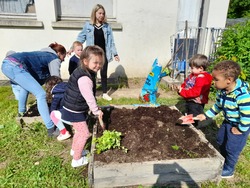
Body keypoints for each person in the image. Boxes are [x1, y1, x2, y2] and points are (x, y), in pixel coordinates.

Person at [50, 45, 105, 167]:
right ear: (85, 61)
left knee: (79, 132)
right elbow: (89, 97)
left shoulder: (83, 71)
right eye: (95, 62)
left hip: (71, 106)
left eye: (100, 63)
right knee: (84, 133)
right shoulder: (85, 78)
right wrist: (95, 110)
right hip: (74, 110)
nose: (98, 66)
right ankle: (77, 160)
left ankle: (75, 150)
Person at [196, 60, 250, 178]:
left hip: (240, 125)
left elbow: (247, 116)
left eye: (216, 79)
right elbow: (218, 107)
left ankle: (229, 169)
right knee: (220, 140)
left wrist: (240, 129)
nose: (213, 82)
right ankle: (224, 158)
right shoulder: (222, 92)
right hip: (228, 122)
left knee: (232, 148)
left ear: (228, 80)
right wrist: (205, 115)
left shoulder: (242, 95)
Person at [1, 42, 67, 137]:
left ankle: (21, 113)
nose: (63, 60)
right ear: (59, 53)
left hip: (8, 64)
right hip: (14, 65)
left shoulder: (42, 55)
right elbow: (56, 80)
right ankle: (51, 128)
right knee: (41, 94)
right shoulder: (53, 58)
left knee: (25, 87)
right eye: (63, 57)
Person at [72, 4, 120, 101]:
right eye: (99, 13)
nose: (101, 15)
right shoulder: (88, 25)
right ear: (95, 13)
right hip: (92, 54)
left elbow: (111, 42)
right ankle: (92, 94)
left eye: (103, 13)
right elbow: (80, 38)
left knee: (103, 73)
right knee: (92, 74)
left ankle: (104, 93)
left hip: (103, 54)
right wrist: (72, 48)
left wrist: (115, 54)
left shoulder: (107, 27)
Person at [177, 54, 212, 126]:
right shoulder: (194, 75)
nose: (191, 70)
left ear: (201, 68)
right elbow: (187, 82)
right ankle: (188, 122)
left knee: (194, 115)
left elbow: (196, 92)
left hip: (197, 102)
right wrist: (181, 88)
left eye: (192, 68)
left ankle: (192, 128)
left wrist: (182, 92)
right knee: (189, 111)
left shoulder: (202, 78)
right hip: (191, 99)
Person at [44, 76, 71, 141]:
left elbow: (53, 109)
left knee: (53, 114)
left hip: (69, 116)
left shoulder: (56, 94)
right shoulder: (69, 86)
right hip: (80, 113)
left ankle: (63, 132)